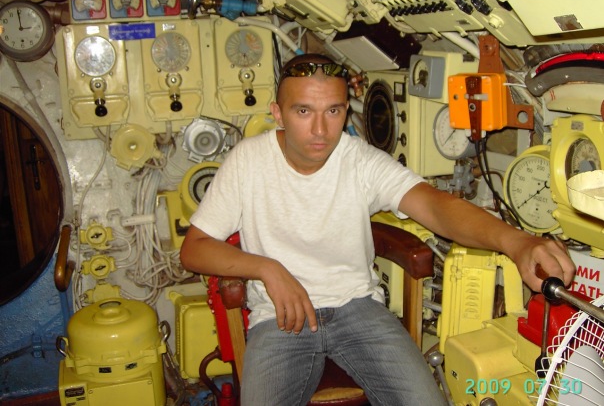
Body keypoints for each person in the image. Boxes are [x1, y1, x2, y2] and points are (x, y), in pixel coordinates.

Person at [180, 53, 575, 405]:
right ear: (278, 114)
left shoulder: (359, 160)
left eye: (333, 111)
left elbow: (435, 207)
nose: (320, 130)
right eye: (303, 111)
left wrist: (516, 242)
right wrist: (267, 269)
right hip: (280, 317)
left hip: (357, 308)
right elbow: (194, 248)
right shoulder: (248, 161)